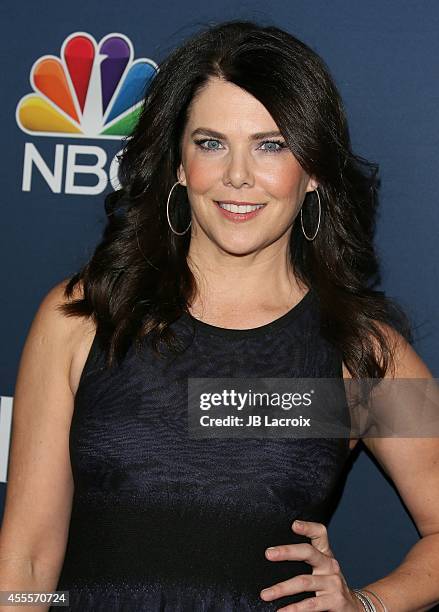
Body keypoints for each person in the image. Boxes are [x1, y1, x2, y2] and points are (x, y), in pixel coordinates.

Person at [1, 18, 438, 612]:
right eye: (211, 143)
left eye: (270, 144)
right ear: (179, 164)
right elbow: (24, 564)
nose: (237, 175)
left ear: (312, 171)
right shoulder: (86, 316)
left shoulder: (356, 351)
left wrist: (366, 605)